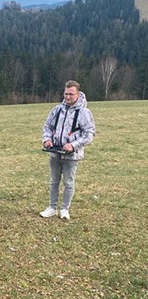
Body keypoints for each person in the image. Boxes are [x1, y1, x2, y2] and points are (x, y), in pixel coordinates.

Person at [40, 80, 96, 220]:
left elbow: (89, 134)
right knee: (54, 181)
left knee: (68, 183)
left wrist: (73, 145)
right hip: (55, 153)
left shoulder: (84, 113)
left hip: (72, 156)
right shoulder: (57, 110)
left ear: (78, 95)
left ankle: (65, 209)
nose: (68, 97)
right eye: (66, 94)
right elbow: (47, 127)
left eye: (71, 94)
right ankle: (52, 208)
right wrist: (47, 140)